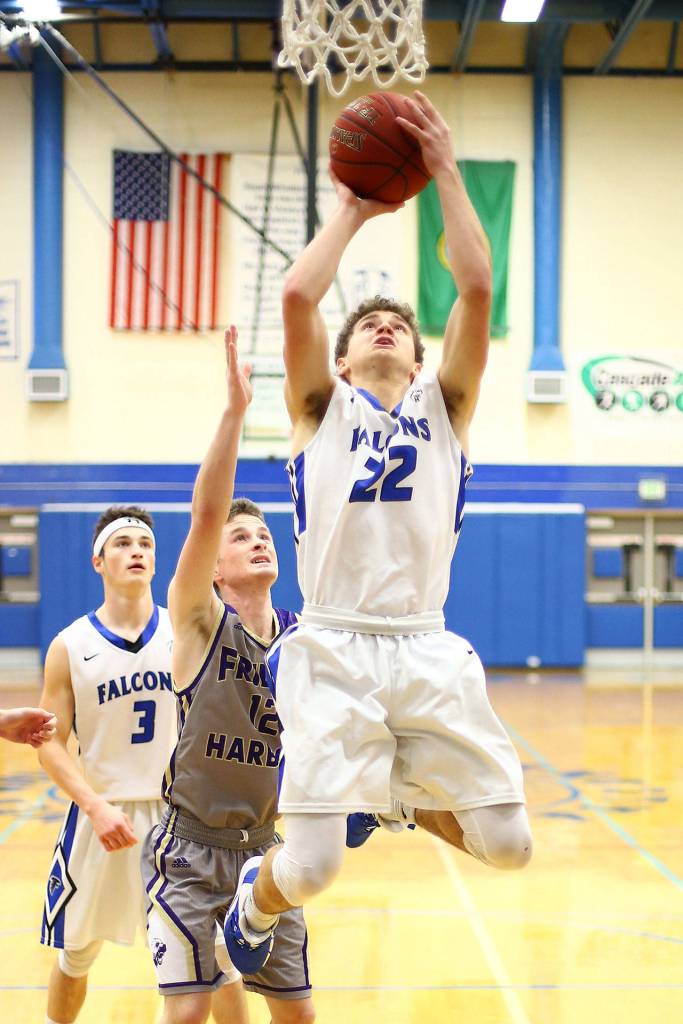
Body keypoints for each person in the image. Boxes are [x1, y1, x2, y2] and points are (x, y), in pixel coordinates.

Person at [224, 91, 532, 973]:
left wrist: (444, 171)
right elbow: (296, 293)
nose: (384, 326)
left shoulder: (447, 409)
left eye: (396, 323)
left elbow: (476, 286)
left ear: (420, 357)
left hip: (424, 644)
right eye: (366, 325)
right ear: (343, 357)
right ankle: (253, 900)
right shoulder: (318, 411)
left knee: (510, 847)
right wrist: (356, 209)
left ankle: (393, 798)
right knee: (312, 870)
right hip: (331, 645)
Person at [140, 327, 315, 1024]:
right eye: (242, 537)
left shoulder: (304, 639)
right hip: (190, 848)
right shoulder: (198, 621)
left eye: (264, 533)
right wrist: (235, 413)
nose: (258, 538)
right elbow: (207, 512)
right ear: (214, 567)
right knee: (188, 1012)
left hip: (265, 853)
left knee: (298, 1014)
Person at [37, 505, 180, 1024]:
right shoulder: (69, 645)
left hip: (176, 816)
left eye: (145, 544)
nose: (136, 551)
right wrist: (94, 806)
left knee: (193, 961)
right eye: (122, 544)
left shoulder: (184, 632)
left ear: (155, 561)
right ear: (97, 560)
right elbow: (49, 743)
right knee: (75, 955)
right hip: (100, 816)